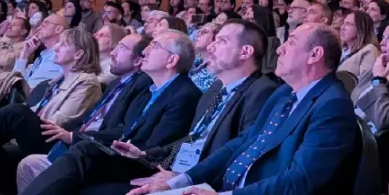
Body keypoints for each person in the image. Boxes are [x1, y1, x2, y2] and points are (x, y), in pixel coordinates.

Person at [128, 24, 360, 195]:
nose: (279, 50)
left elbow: (301, 180)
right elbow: (242, 142)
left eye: (291, 43)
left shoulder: (333, 106)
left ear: (315, 55)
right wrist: (180, 181)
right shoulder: (283, 93)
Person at [86, 19, 279, 193]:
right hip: (174, 171)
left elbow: (239, 152)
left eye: (222, 41)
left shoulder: (262, 92)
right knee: (87, 179)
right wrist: (145, 154)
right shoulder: (215, 89)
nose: (210, 47)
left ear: (245, 52)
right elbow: (191, 139)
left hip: (204, 183)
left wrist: (183, 178)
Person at [22, 30, 202, 195]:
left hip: (144, 164)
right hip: (124, 155)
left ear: (171, 60)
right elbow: (127, 129)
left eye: (154, 46)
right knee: (78, 156)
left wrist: (130, 150)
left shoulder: (185, 95)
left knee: (85, 151)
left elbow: (159, 147)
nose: (145, 51)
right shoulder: (150, 89)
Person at [15, 33, 154, 192]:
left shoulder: (141, 85)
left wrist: (73, 136)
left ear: (138, 60)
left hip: (92, 150)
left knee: (16, 114)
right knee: (27, 164)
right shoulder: (116, 83)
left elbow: (123, 130)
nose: (112, 53)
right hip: (77, 143)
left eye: (121, 48)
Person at [0, 28, 102, 193]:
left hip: (58, 142)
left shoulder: (88, 83)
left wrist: (14, 118)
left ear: (78, 54)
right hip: (43, 133)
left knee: (15, 112)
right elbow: (34, 111)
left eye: (63, 44)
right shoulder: (58, 81)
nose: (56, 48)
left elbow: (62, 121)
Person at [338, 10, 380, 79]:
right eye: (343, 23)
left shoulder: (369, 50)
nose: (342, 27)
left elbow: (365, 83)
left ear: (361, 28)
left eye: (348, 24)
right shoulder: (342, 50)